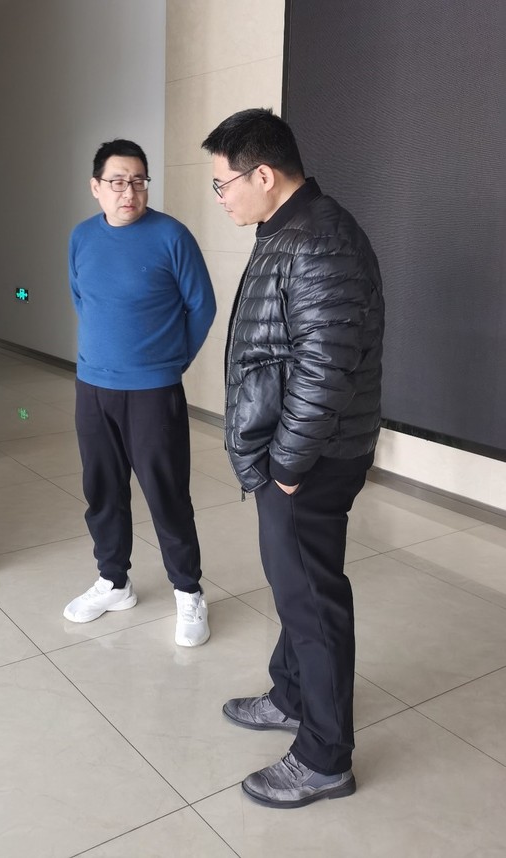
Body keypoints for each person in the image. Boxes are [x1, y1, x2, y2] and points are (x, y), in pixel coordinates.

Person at [202, 108, 384, 808]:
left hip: (308, 461)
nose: (221, 197)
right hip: (298, 454)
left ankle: (323, 757)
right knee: (295, 586)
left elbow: (325, 369)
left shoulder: (318, 241)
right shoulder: (289, 229)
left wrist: (285, 466)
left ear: (263, 175)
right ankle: (290, 695)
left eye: (223, 184)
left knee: (311, 600)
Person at [64, 139, 216, 647]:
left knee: (166, 494)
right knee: (102, 490)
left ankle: (188, 591)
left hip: (154, 390)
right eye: (117, 182)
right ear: (96, 187)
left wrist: (173, 361)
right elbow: (82, 297)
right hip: (93, 386)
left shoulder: (171, 236)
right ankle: (114, 581)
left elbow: (202, 306)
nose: (129, 192)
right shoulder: (81, 237)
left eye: (138, 181)